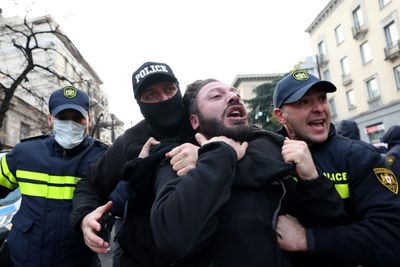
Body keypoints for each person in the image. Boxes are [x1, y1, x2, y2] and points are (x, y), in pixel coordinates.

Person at [147, 79, 343, 266]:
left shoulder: (279, 154)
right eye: (216, 96)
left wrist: (313, 180)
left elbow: (331, 222)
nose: (234, 97)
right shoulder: (178, 160)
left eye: (235, 93)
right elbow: (173, 240)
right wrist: (218, 156)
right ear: (194, 121)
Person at [70, 61, 196, 266]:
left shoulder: (203, 123)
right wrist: (85, 217)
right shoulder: (129, 141)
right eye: (151, 95)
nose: (164, 99)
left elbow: (255, 145)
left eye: (169, 89)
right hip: (141, 257)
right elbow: (89, 183)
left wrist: (208, 155)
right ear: (140, 104)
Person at [272, 70, 400, 267]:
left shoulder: (361, 156)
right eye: (304, 102)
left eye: (322, 99)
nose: (319, 108)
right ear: (280, 116)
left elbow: (390, 235)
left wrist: (306, 238)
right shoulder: (269, 158)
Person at [0, 86, 107, 266]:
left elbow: (120, 200)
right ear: (50, 119)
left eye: (77, 118)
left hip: (77, 260)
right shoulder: (24, 153)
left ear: (89, 120)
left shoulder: (103, 158)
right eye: (63, 118)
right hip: (22, 259)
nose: (70, 123)